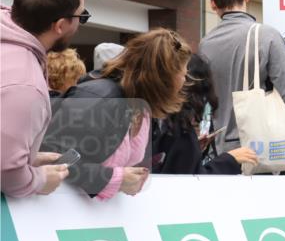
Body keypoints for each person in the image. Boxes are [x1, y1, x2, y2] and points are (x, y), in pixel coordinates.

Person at [42, 28, 190, 200]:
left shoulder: (140, 107)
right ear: (164, 77)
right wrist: (114, 178)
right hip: (57, 213)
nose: (185, 80)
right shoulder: (101, 98)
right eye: (183, 74)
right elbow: (52, 156)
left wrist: (125, 179)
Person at [198, 0, 285, 155]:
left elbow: (201, 101)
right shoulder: (266, 36)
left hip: (220, 153)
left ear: (213, 4)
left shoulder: (205, 45)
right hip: (261, 148)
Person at [1, 0, 89, 197]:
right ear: (60, 26)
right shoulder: (24, 84)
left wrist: (28, 157)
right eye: (82, 16)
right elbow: (6, 173)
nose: (80, 24)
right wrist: (40, 179)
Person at [151, 54, 258, 176]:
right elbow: (189, 181)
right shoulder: (179, 131)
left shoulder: (160, 122)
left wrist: (195, 149)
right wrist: (230, 158)